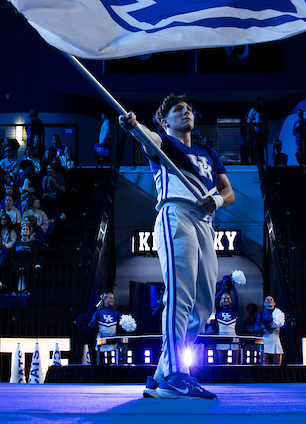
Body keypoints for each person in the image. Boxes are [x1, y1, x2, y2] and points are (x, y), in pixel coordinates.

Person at [120, 94, 234, 400]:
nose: (186, 112)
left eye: (189, 109)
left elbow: (228, 192)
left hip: (205, 223)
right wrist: (133, 126)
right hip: (176, 216)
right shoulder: (164, 143)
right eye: (178, 110)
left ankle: (158, 377)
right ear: (164, 120)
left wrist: (217, 200)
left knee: (204, 304)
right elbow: (146, 138)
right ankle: (174, 374)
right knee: (180, 296)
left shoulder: (207, 150)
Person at [253, 295, 283, 365]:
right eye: (267, 299)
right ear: (264, 303)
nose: (269, 300)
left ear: (274, 303)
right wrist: (264, 327)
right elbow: (255, 328)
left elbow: (283, 326)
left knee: (277, 366)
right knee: (264, 365)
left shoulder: (278, 314)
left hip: (275, 339)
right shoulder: (261, 315)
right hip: (265, 340)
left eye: (271, 299)